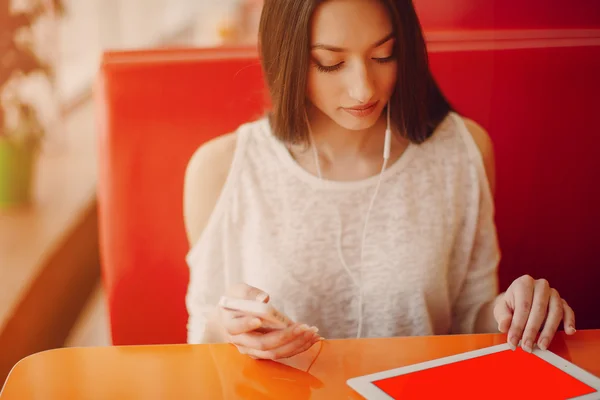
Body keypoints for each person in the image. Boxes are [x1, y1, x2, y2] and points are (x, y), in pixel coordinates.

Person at [183, 0, 576, 361]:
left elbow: (471, 321)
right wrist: (229, 327)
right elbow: (200, 340)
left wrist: (518, 312)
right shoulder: (222, 169)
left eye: (383, 55)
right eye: (330, 62)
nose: (364, 89)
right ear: (285, 56)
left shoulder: (462, 150)